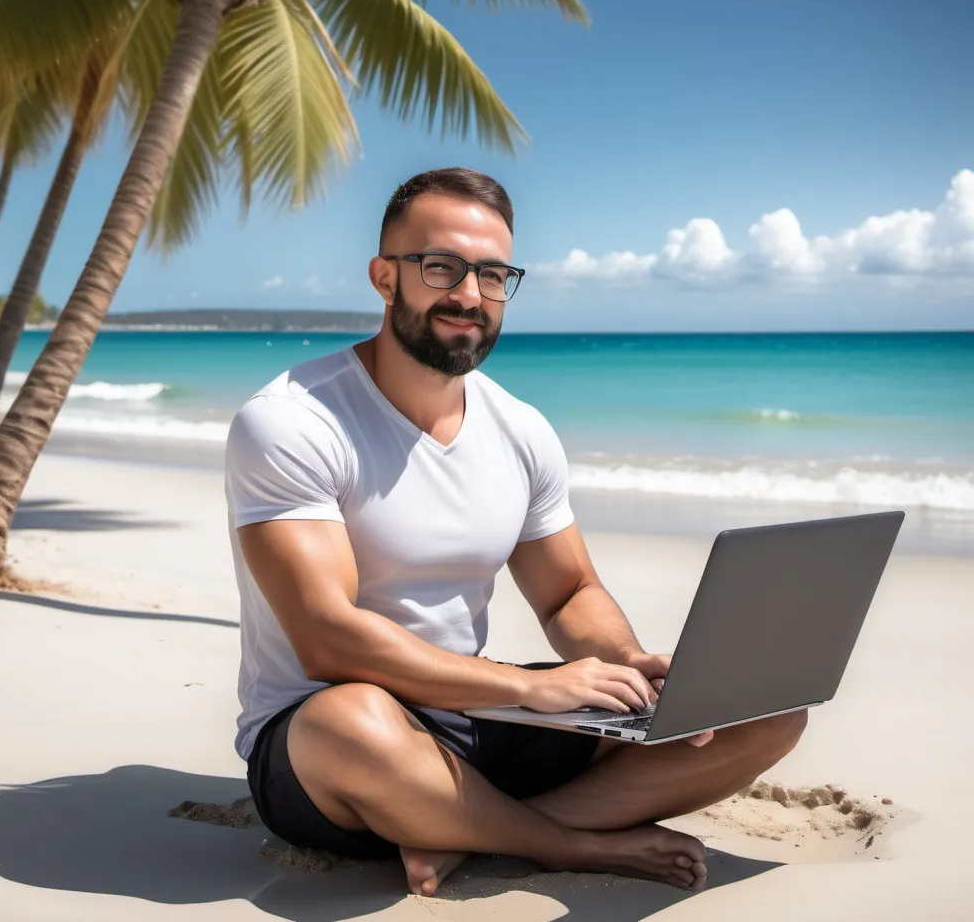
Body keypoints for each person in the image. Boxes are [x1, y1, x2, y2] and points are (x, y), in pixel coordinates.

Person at [225, 167, 807, 897]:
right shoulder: (291, 422)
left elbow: (568, 593)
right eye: (440, 266)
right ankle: (564, 842)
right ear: (384, 277)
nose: (469, 294)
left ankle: (463, 830)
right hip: (327, 750)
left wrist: (628, 667)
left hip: (477, 721)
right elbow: (326, 639)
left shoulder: (521, 429)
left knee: (769, 712)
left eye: (493, 274)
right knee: (352, 719)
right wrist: (529, 689)